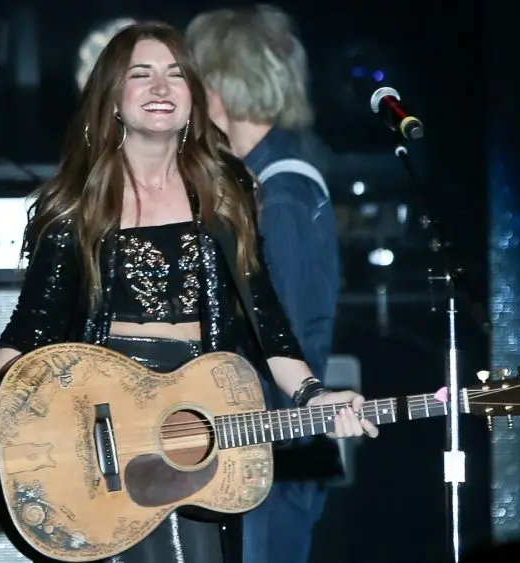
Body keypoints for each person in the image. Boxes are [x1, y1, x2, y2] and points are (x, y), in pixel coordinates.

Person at [0, 21, 378, 563]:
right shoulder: (77, 205)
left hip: (196, 415)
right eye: (141, 74)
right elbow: (31, 328)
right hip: (100, 415)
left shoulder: (225, 193)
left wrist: (315, 394)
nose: (161, 87)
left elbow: (268, 322)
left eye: (175, 74)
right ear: (114, 100)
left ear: (195, 99)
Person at [186, 6, 342, 563]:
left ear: (219, 88)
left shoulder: (282, 195)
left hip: (276, 457)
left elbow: (290, 334)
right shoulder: (258, 181)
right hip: (259, 452)